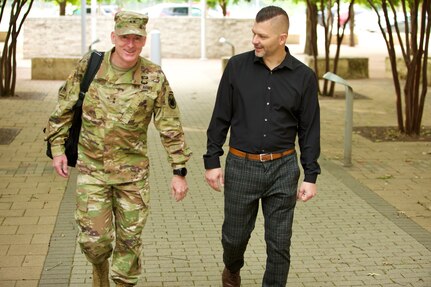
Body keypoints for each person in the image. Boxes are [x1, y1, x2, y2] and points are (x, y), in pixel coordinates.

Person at [44, 11, 192, 287]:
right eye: (125, 37)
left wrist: (178, 170)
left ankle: (122, 283)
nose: (131, 44)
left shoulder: (153, 76)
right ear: (114, 37)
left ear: (144, 41)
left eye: (137, 38)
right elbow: (64, 107)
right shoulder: (91, 66)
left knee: (130, 240)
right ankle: (99, 267)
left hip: (133, 176)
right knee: (94, 241)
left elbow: (170, 125)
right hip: (92, 172)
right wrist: (57, 148)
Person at [204, 6, 320, 287]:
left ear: (282, 38)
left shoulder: (303, 77)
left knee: (279, 244)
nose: (255, 40)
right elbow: (220, 116)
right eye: (254, 33)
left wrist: (310, 175)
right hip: (241, 165)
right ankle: (232, 269)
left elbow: (309, 129)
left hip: (283, 168)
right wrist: (212, 161)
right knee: (234, 238)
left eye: (262, 36)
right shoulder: (236, 67)